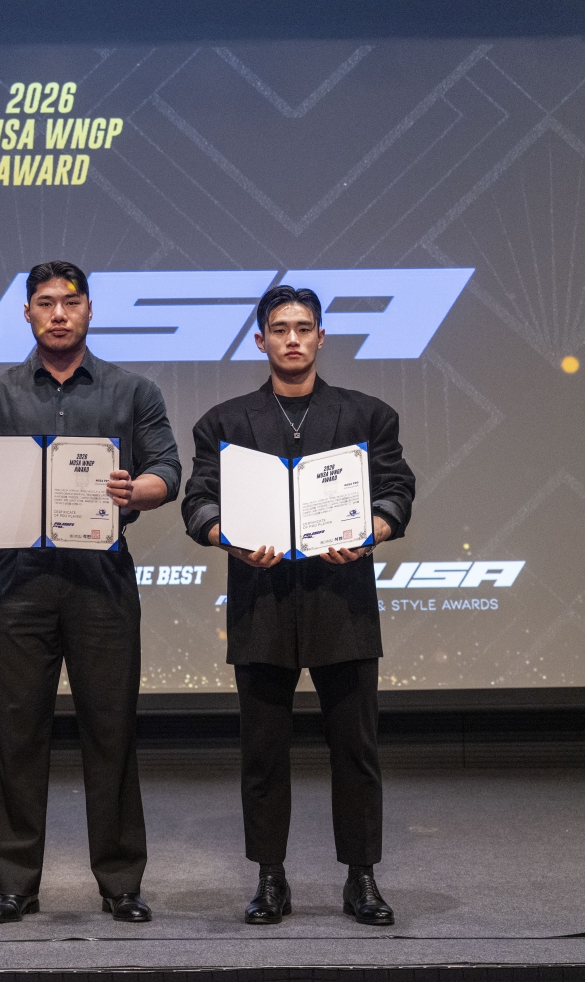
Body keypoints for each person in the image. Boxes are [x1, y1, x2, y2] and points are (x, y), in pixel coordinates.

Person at [0, 260, 181, 924]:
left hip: (102, 581)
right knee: (17, 733)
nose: (58, 313)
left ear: (89, 309)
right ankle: (16, 883)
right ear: (27, 313)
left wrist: (138, 490)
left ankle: (120, 883)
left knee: (111, 730)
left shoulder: (134, 391)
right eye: (44, 303)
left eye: (70, 302)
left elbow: (167, 469)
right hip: (21, 582)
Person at [180, 284, 415, 926]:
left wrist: (372, 530)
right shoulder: (224, 424)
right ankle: (270, 878)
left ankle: (361, 879)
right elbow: (197, 501)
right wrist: (225, 536)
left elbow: (397, 490)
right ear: (260, 340)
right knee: (263, 753)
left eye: (303, 328)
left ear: (320, 337)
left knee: (356, 750)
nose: (292, 339)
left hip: (343, 601)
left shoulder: (367, 415)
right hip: (261, 601)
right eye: (280, 329)